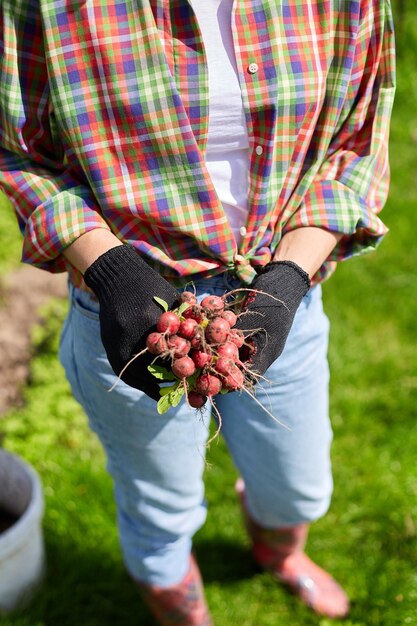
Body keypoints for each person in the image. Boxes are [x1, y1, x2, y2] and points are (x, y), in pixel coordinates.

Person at [0, 0, 395, 623]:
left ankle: (278, 551)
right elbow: (17, 151)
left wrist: (288, 276)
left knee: (298, 482)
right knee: (161, 502)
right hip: (135, 313)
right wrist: (110, 269)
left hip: (275, 281)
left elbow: (357, 144)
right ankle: (186, 614)